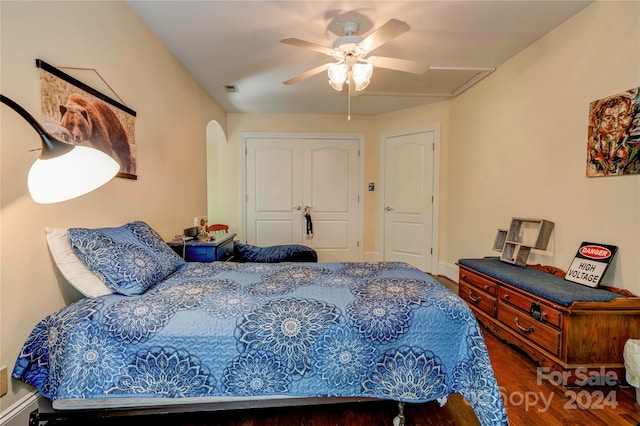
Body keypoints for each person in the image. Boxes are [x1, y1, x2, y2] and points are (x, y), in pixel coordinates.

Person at [587, 91, 638, 176]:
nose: (616, 125)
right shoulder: (591, 150)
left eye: (622, 116)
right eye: (608, 118)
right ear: (597, 122)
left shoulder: (634, 152)